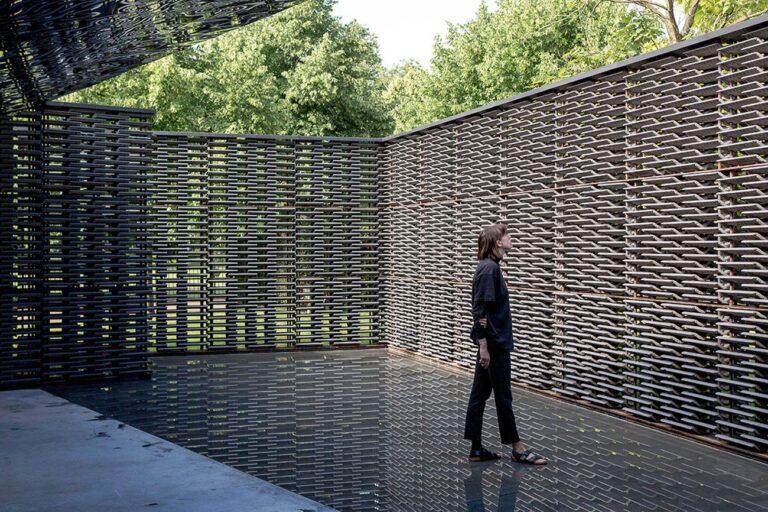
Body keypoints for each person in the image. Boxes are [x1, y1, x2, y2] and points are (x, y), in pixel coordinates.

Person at [463, 223, 547, 465]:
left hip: (491, 344)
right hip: (494, 345)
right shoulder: (489, 270)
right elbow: (480, 311)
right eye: (507, 235)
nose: (511, 238)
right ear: (498, 242)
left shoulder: (489, 268)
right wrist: (484, 347)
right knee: (503, 396)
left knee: (479, 395)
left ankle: (476, 449)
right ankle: (518, 448)